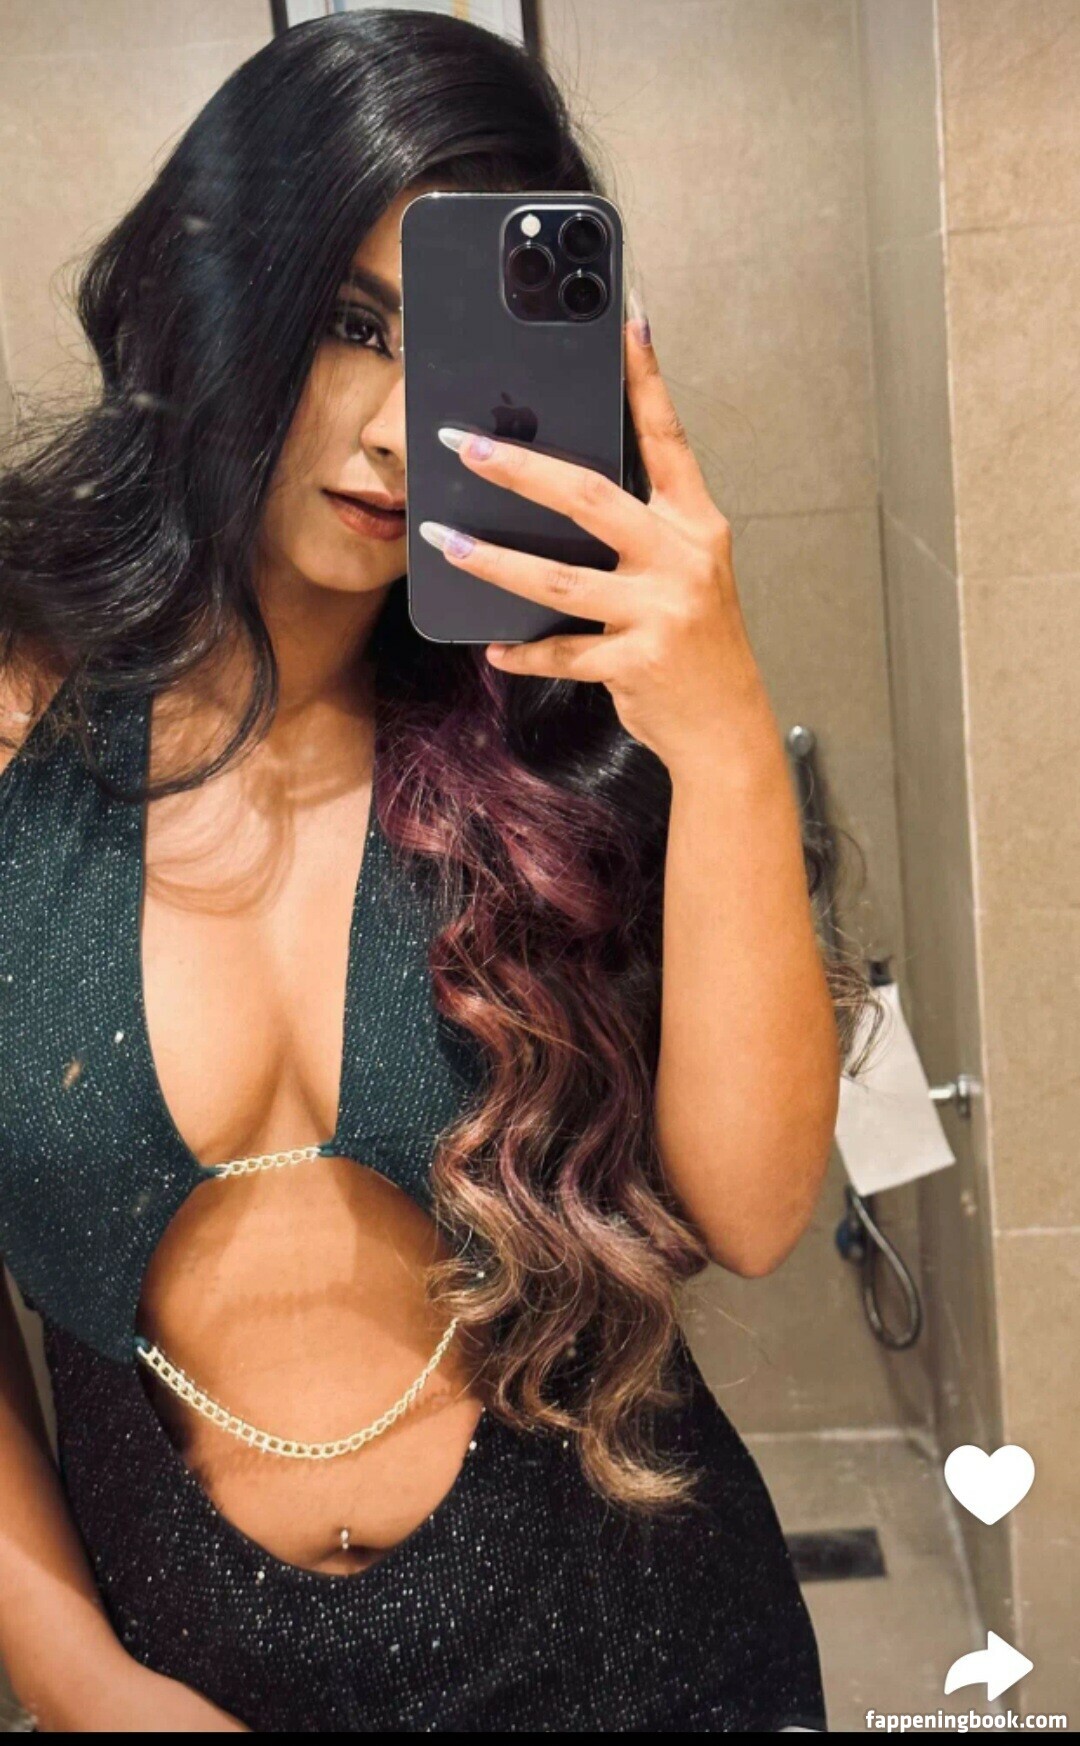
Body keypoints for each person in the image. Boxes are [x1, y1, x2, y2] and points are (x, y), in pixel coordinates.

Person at [0, 11, 874, 1733]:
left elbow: (760, 1209)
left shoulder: (570, 734)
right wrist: (79, 1676)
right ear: (218, 293)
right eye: (350, 324)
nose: (405, 432)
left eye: (453, 349)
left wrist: (719, 730)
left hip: (650, 1663)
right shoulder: (19, 711)